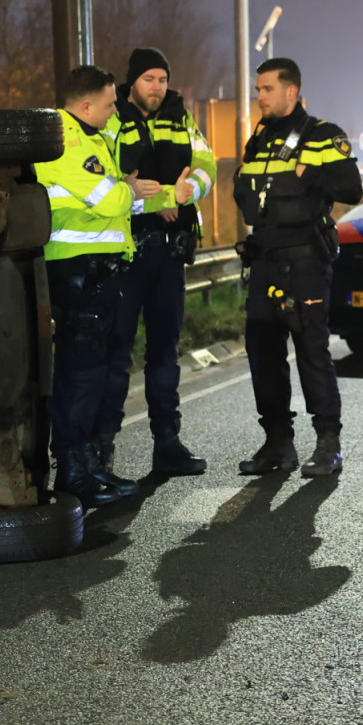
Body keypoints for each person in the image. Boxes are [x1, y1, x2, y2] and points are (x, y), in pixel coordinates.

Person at [34, 64, 165, 507]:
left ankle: (89, 465)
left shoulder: (91, 136)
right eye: (110, 104)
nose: (115, 112)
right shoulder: (65, 139)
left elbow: (111, 195)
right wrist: (129, 190)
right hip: (74, 271)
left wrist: (124, 188)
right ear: (86, 104)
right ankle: (72, 472)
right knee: (80, 374)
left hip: (95, 271)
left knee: (95, 372)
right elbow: (109, 198)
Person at [232, 57, 362, 477]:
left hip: (305, 260)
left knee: (311, 351)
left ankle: (328, 443)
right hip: (265, 261)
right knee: (263, 354)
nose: (259, 96)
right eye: (258, 89)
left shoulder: (322, 135)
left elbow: (352, 189)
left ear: (291, 91)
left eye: (266, 89)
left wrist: (312, 175)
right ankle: (277, 444)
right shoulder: (259, 138)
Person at [103, 47, 217, 480]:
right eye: (149, 79)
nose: (157, 87)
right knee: (116, 354)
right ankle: (102, 451)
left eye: (163, 79)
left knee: (165, 353)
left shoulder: (181, 119)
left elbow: (205, 164)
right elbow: (108, 183)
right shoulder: (112, 120)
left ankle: (167, 444)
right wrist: (157, 200)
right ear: (132, 82)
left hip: (169, 254)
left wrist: (189, 192)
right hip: (127, 254)